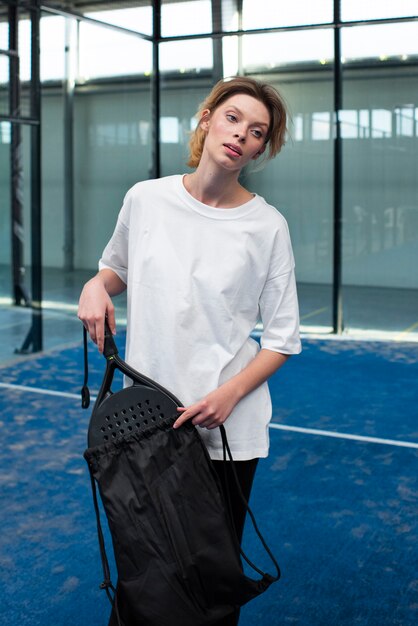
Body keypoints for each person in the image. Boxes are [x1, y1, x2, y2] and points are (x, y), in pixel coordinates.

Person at [78, 75, 302, 625]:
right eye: (232, 118)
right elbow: (116, 271)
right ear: (207, 119)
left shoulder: (267, 227)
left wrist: (227, 395)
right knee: (145, 570)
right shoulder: (145, 199)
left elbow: (281, 340)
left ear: (260, 148)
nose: (241, 135)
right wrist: (94, 286)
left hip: (225, 426)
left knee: (208, 587)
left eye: (257, 132)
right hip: (146, 426)